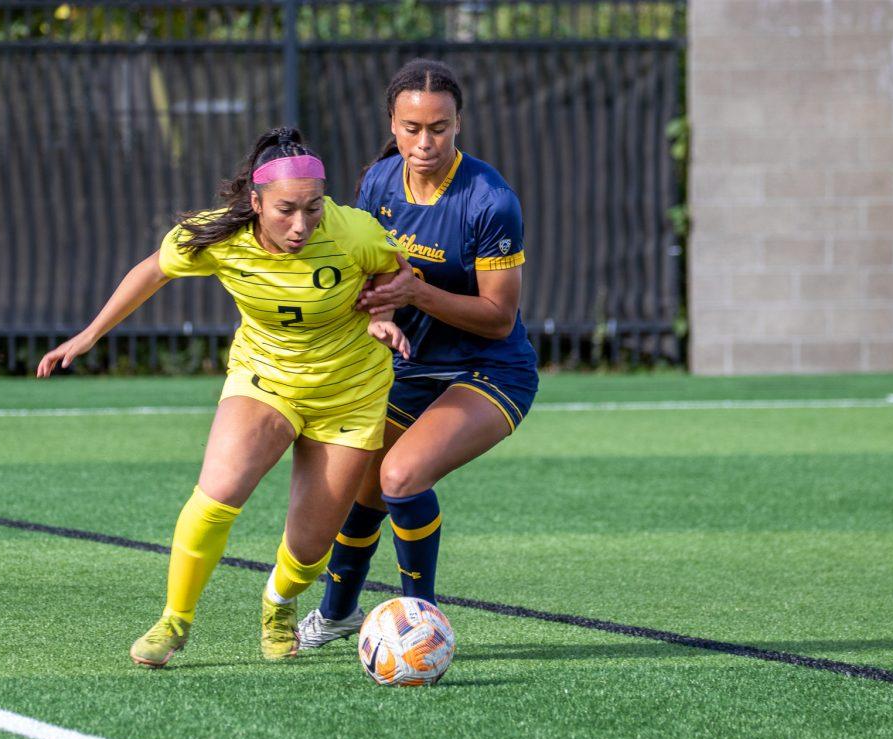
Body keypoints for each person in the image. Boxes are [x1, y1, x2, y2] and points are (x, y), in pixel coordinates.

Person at [37, 127, 409, 667]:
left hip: (350, 395)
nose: (301, 224)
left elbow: (395, 268)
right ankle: (174, 620)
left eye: (312, 209)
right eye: (285, 210)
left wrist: (384, 316)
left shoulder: (352, 231)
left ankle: (279, 602)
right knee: (218, 493)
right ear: (255, 203)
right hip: (265, 378)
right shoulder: (218, 236)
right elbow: (152, 272)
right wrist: (90, 334)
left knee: (309, 548)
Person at [297, 59, 539, 646]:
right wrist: (380, 314)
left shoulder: (490, 200)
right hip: (409, 366)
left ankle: (419, 624)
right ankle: (338, 614)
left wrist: (417, 293)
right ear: (393, 123)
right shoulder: (378, 182)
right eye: (411, 128)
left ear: (459, 124)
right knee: (363, 484)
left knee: (400, 475)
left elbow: (498, 315)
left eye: (439, 127)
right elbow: (369, 273)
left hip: (491, 369)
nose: (424, 142)